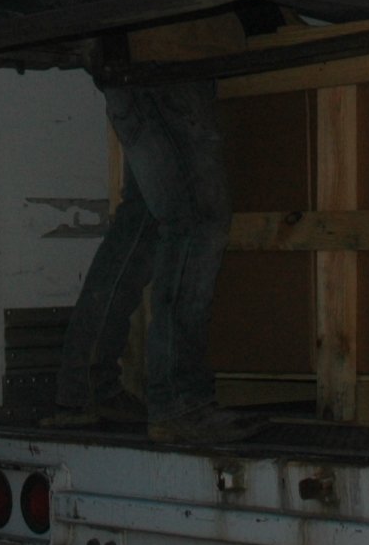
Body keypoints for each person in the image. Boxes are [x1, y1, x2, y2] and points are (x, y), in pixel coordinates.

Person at [44, 77, 254, 446]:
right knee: (196, 221)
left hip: (133, 76)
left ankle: (85, 389)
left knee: (142, 223)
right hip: (165, 74)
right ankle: (179, 401)